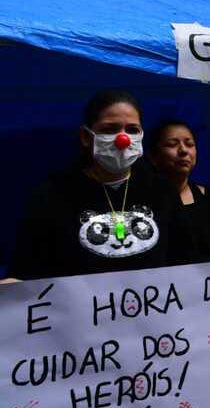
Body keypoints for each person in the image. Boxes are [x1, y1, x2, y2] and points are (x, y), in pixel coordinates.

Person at [7, 90, 187, 280]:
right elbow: (27, 269)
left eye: (132, 130)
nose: (123, 139)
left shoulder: (162, 191)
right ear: (86, 136)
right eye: (110, 129)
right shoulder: (51, 196)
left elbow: (187, 260)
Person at [148, 119, 210, 263]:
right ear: (153, 156)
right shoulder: (144, 200)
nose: (183, 150)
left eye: (190, 144)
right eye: (172, 144)